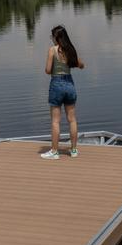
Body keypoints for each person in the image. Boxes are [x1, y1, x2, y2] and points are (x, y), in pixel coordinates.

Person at [41, 25, 85, 160]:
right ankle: (74, 150)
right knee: (72, 120)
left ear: (57, 37)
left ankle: (54, 152)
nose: (51, 39)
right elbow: (81, 65)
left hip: (57, 84)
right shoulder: (71, 50)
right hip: (69, 84)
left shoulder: (52, 50)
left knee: (55, 121)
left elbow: (48, 70)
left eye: (52, 36)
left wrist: (55, 66)